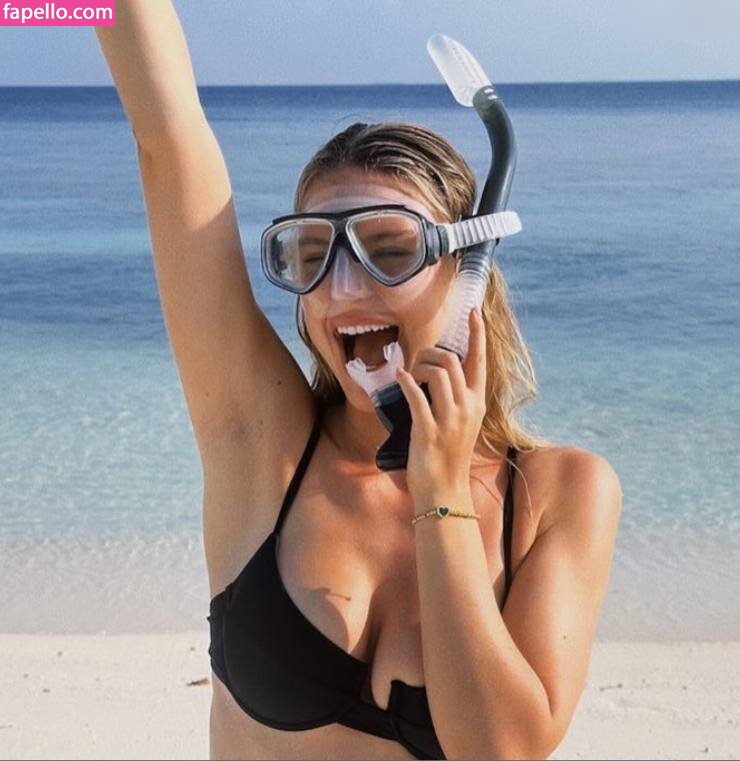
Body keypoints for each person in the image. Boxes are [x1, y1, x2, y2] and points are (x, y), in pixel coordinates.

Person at [96, 3, 622, 759]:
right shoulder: (264, 445)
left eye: (390, 250)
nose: (342, 290)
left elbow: (500, 749)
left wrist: (440, 491)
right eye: (312, 256)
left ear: (470, 273)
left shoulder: (558, 494)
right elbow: (167, 133)